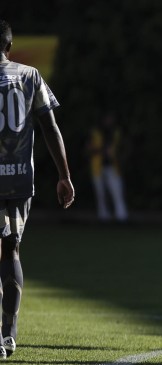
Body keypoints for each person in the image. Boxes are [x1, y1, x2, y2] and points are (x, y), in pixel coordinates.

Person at [0, 20, 75, 358]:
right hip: (19, 179)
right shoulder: (29, 75)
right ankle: (8, 335)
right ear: (9, 47)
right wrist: (64, 175)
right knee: (11, 251)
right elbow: (50, 126)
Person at [87, 111, 128, 222]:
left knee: (117, 191)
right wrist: (102, 151)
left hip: (113, 167)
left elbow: (122, 148)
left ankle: (121, 217)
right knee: (100, 194)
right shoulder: (95, 132)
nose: (109, 121)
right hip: (97, 168)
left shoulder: (116, 132)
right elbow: (88, 148)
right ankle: (103, 216)